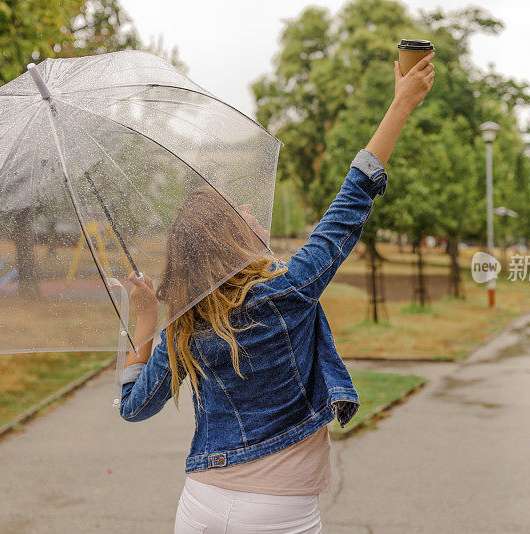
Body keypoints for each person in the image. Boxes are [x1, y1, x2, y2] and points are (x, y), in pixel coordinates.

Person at [119, 51, 436, 533]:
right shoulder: (290, 289)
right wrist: (401, 106)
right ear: (228, 239)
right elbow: (352, 200)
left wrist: (145, 323)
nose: (249, 209)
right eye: (237, 211)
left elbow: (134, 407)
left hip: (200, 503)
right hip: (275, 513)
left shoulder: (184, 322)